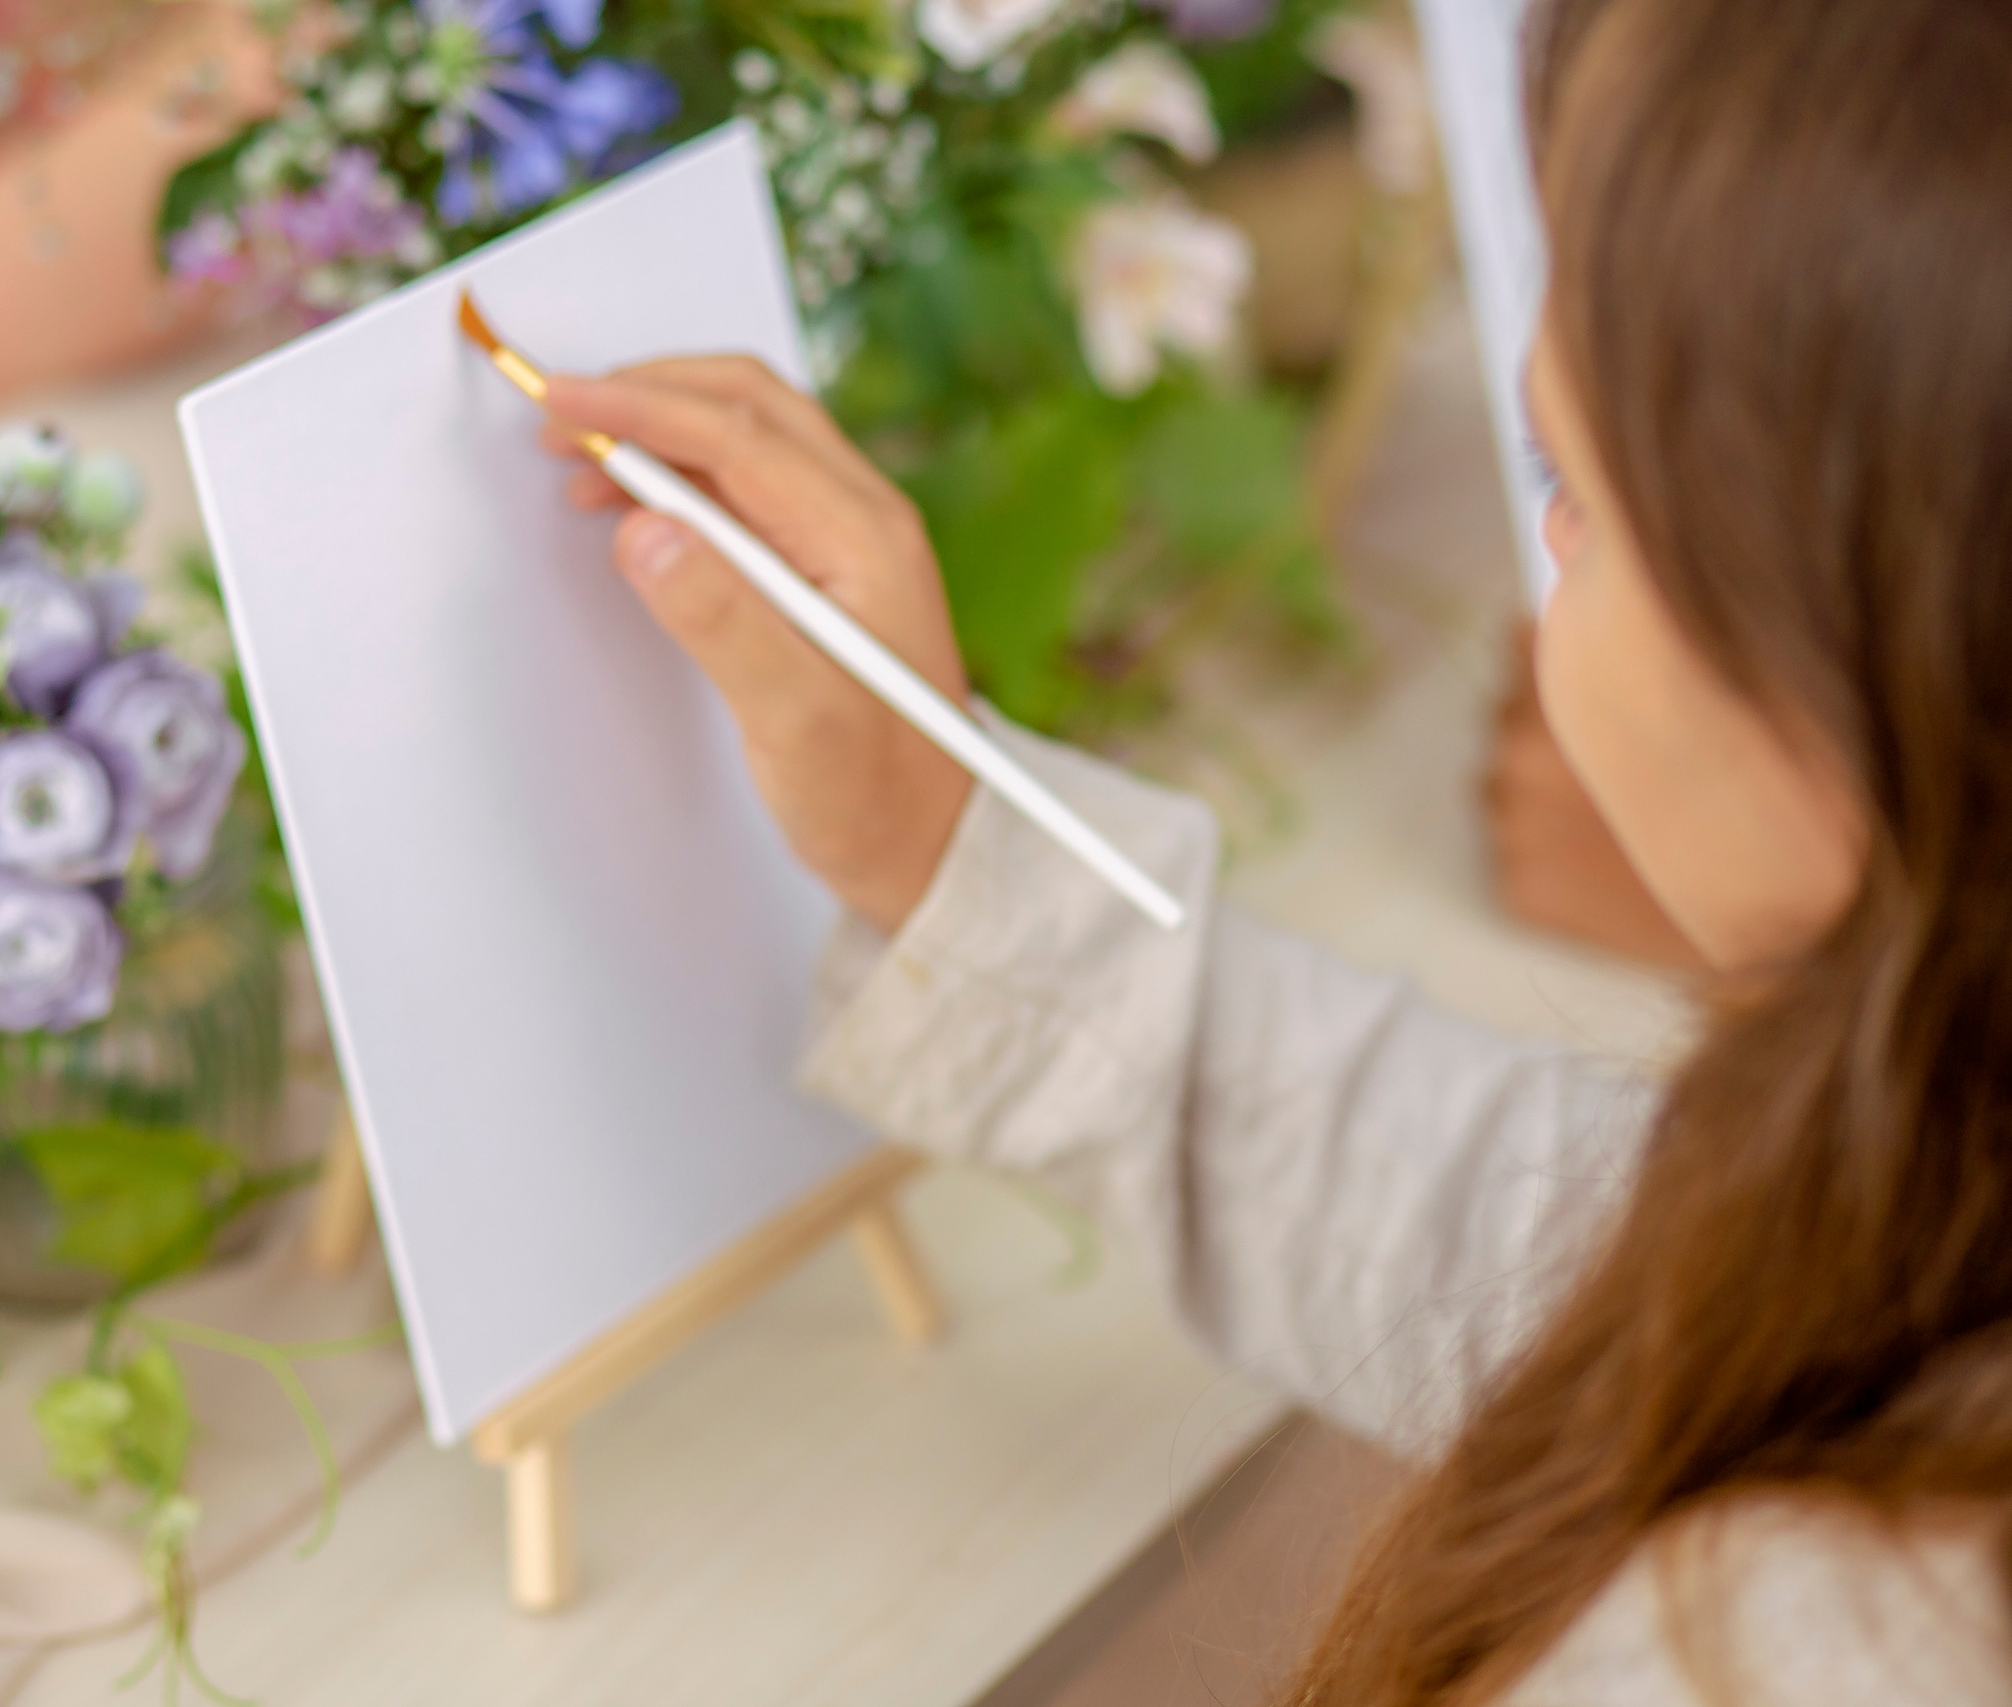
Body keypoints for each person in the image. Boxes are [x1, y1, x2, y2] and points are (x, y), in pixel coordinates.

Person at [534, 0, 2012, 1699]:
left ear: (1868, 712)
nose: (1539, 544)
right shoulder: (1925, 1204)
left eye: (1576, 483)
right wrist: (941, 841)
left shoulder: (1794, 1647)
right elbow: (1566, 1239)